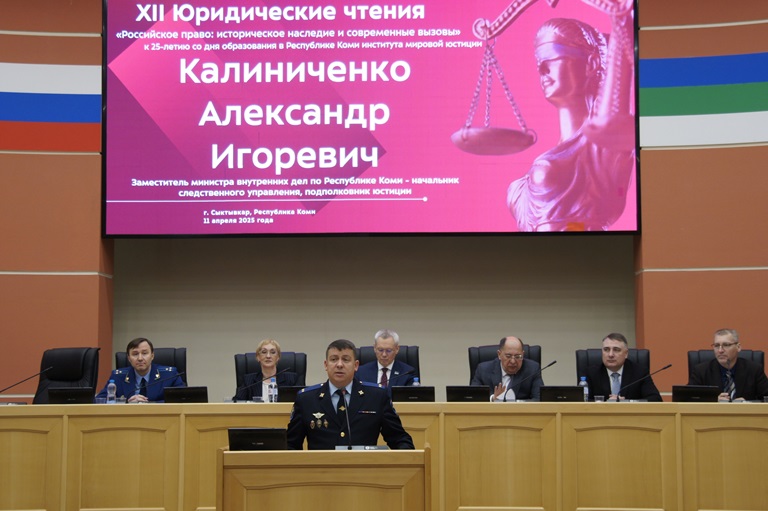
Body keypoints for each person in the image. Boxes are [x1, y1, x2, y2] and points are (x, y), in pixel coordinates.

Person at [507, 10, 635, 232]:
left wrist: (621, 15)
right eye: (538, 62)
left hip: (583, 252)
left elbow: (622, 35)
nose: (542, 69)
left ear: (591, 64)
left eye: (552, 56)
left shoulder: (600, 147)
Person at [287, 339, 414, 450]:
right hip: (321, 469)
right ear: (326, 365)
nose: (339, 365)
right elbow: (290, 445)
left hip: (363, 468)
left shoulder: (377, 396)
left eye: (346, 359)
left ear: (356, 365)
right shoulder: (306, 399)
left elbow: (399, 439)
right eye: (334, 359)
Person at [689, 328, 768, 402]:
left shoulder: (754, 370)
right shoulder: (701, 371)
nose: (720, 350)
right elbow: (688, 398)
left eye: (726, 345)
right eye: (716, 346)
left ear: (738, 347)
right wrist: (713, 400)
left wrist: (747, 403)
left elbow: (766, 398)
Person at [96, 337, 184, 403]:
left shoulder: (170, 375)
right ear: (129, 358)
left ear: (152, 356)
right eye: (135, 354)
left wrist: (150, 404)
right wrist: (126, 403)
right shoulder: (118, 376)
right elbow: (99, 400)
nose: (140, 358)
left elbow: (182, 399)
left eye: (144, 353)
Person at [585, 333, 661, 402]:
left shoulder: (640, 372)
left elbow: (655, 399)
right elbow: (582, 400)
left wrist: (627, 402)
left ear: (626, 354)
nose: (610, 354)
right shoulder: (591, 373)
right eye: (606, 350)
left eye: (616, 350)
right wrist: (607, 403)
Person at [470, 336, 542, 401]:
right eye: (508, 356)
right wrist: (493, 399)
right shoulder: (483, 369)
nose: (513, 361)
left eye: (518, 356)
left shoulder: (533, 369)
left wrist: (517, 404)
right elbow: (472, 397)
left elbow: (539, 399)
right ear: (499, 354)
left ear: (523, 354)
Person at [233, 339, 298, 402]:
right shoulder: (249, 381)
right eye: (264, 352)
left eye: (273, 352)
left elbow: (301, 402)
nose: (268, 356)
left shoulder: (291, 379)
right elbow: (236, 402)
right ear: (258, 357)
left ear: (278, 357)